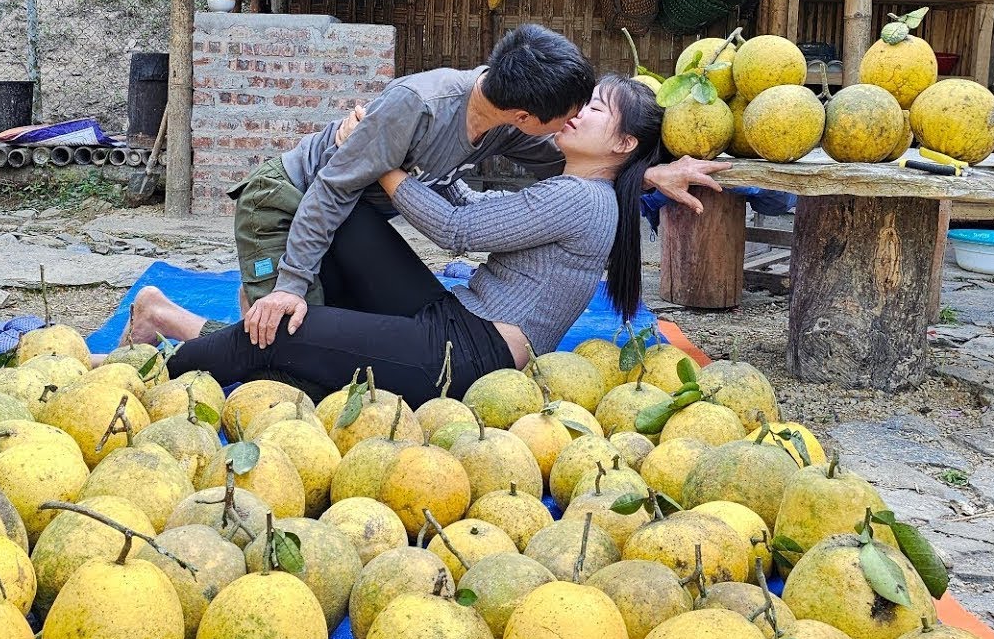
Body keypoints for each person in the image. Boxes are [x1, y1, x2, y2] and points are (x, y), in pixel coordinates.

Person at [125, 23, 729, 352]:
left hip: (350, 221)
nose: (570, 124)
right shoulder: (419, 105)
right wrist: (288, 284)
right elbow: (329, 192)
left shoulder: (506, 126)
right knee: (282, 342)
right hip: (286, 202)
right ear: (526, 114)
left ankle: (232, 310)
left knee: (318, 345)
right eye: (570, 113)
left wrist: (646, 173)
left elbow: (572, 173)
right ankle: (164, 314)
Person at [160, 74, 670, 407]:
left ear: (623, 143)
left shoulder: (580, 198)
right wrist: (387, 148)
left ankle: (150, 365)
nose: (577, 112)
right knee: (347, 216)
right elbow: (476, 207)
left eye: (596, 109)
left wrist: (380, 157)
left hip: (469, 357)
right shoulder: (579, 191)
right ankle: (274, 298)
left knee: (285, 336)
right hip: (456, 317)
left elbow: (457, 230)